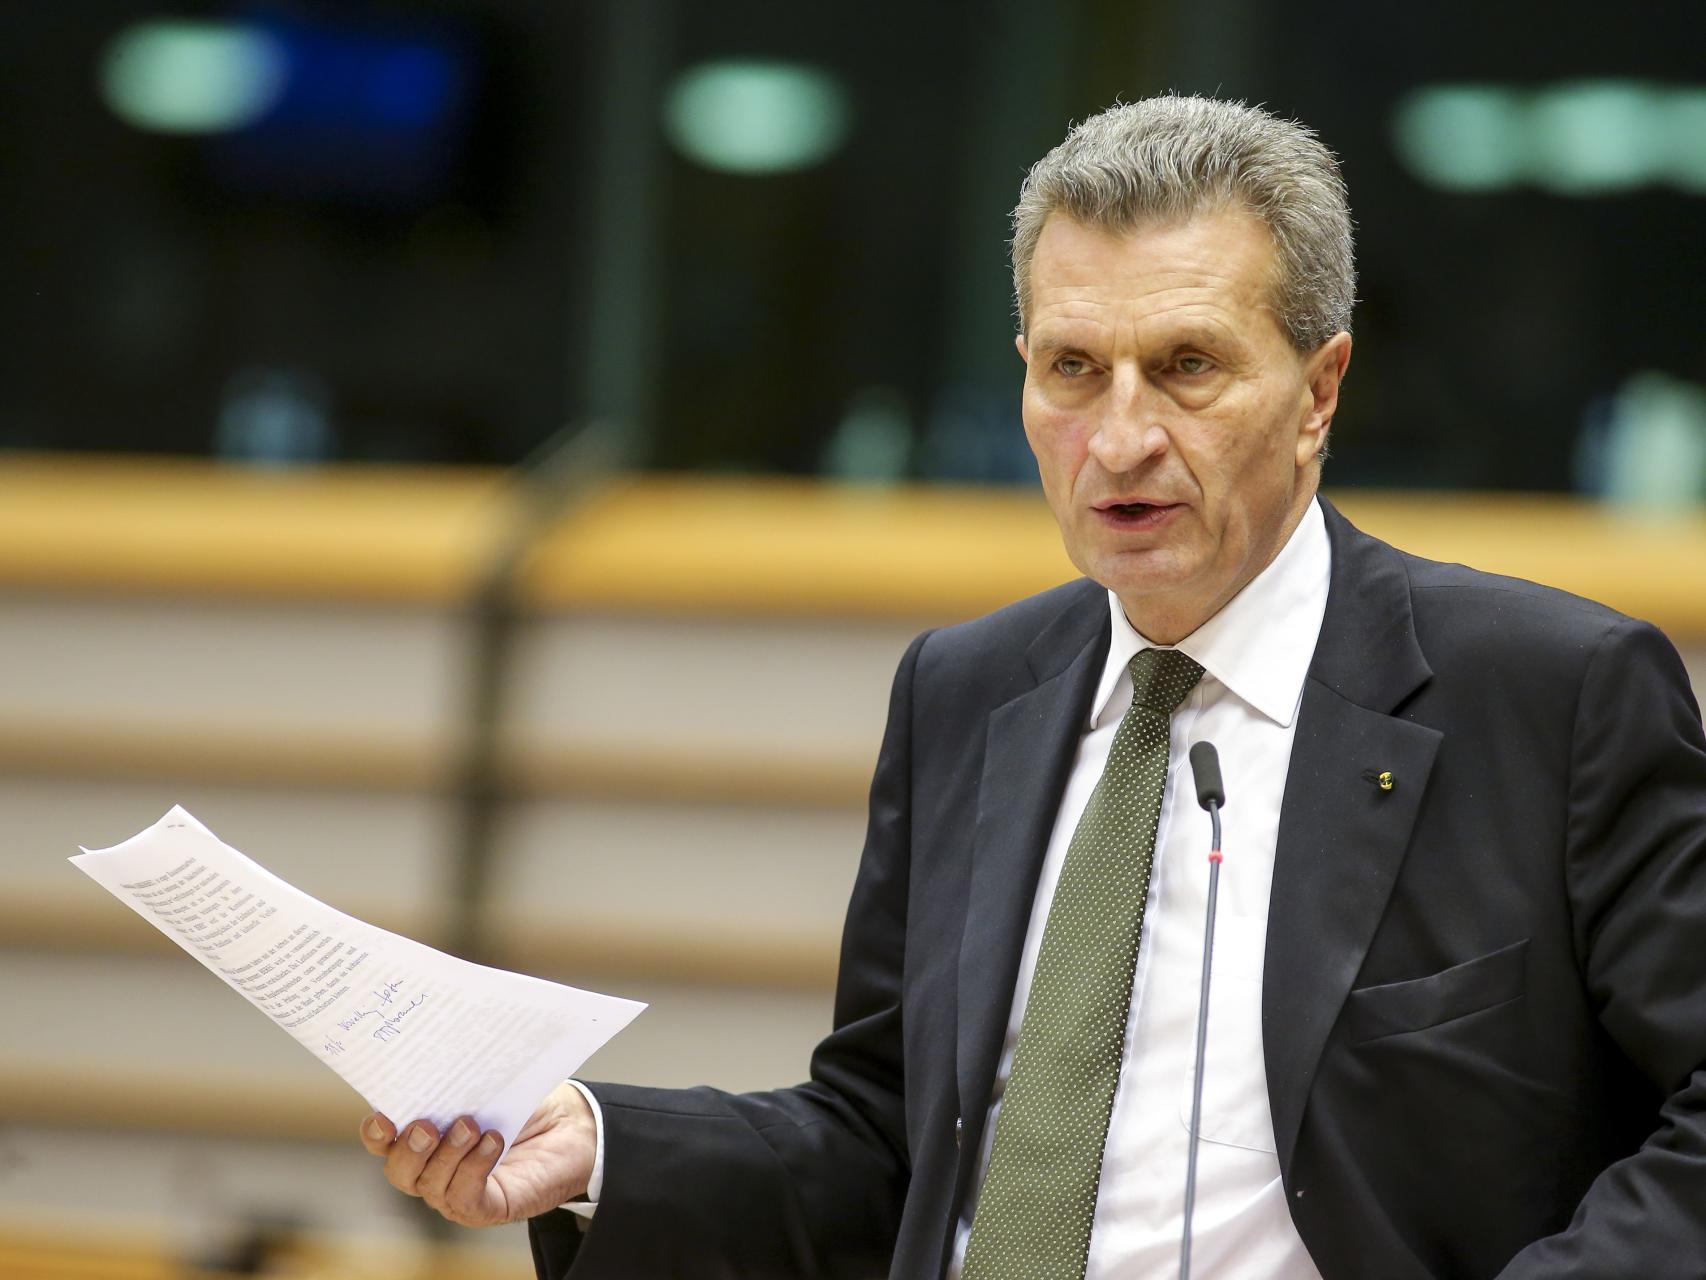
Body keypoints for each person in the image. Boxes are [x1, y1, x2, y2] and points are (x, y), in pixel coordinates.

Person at [358, 95, 1706, 1278]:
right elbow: (885, 1143)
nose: (1118, 439)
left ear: (1317, 391)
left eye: (1185, 368)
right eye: (1072, 370)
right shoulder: (966, 692)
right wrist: (599, 1146)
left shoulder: (1550, 696)